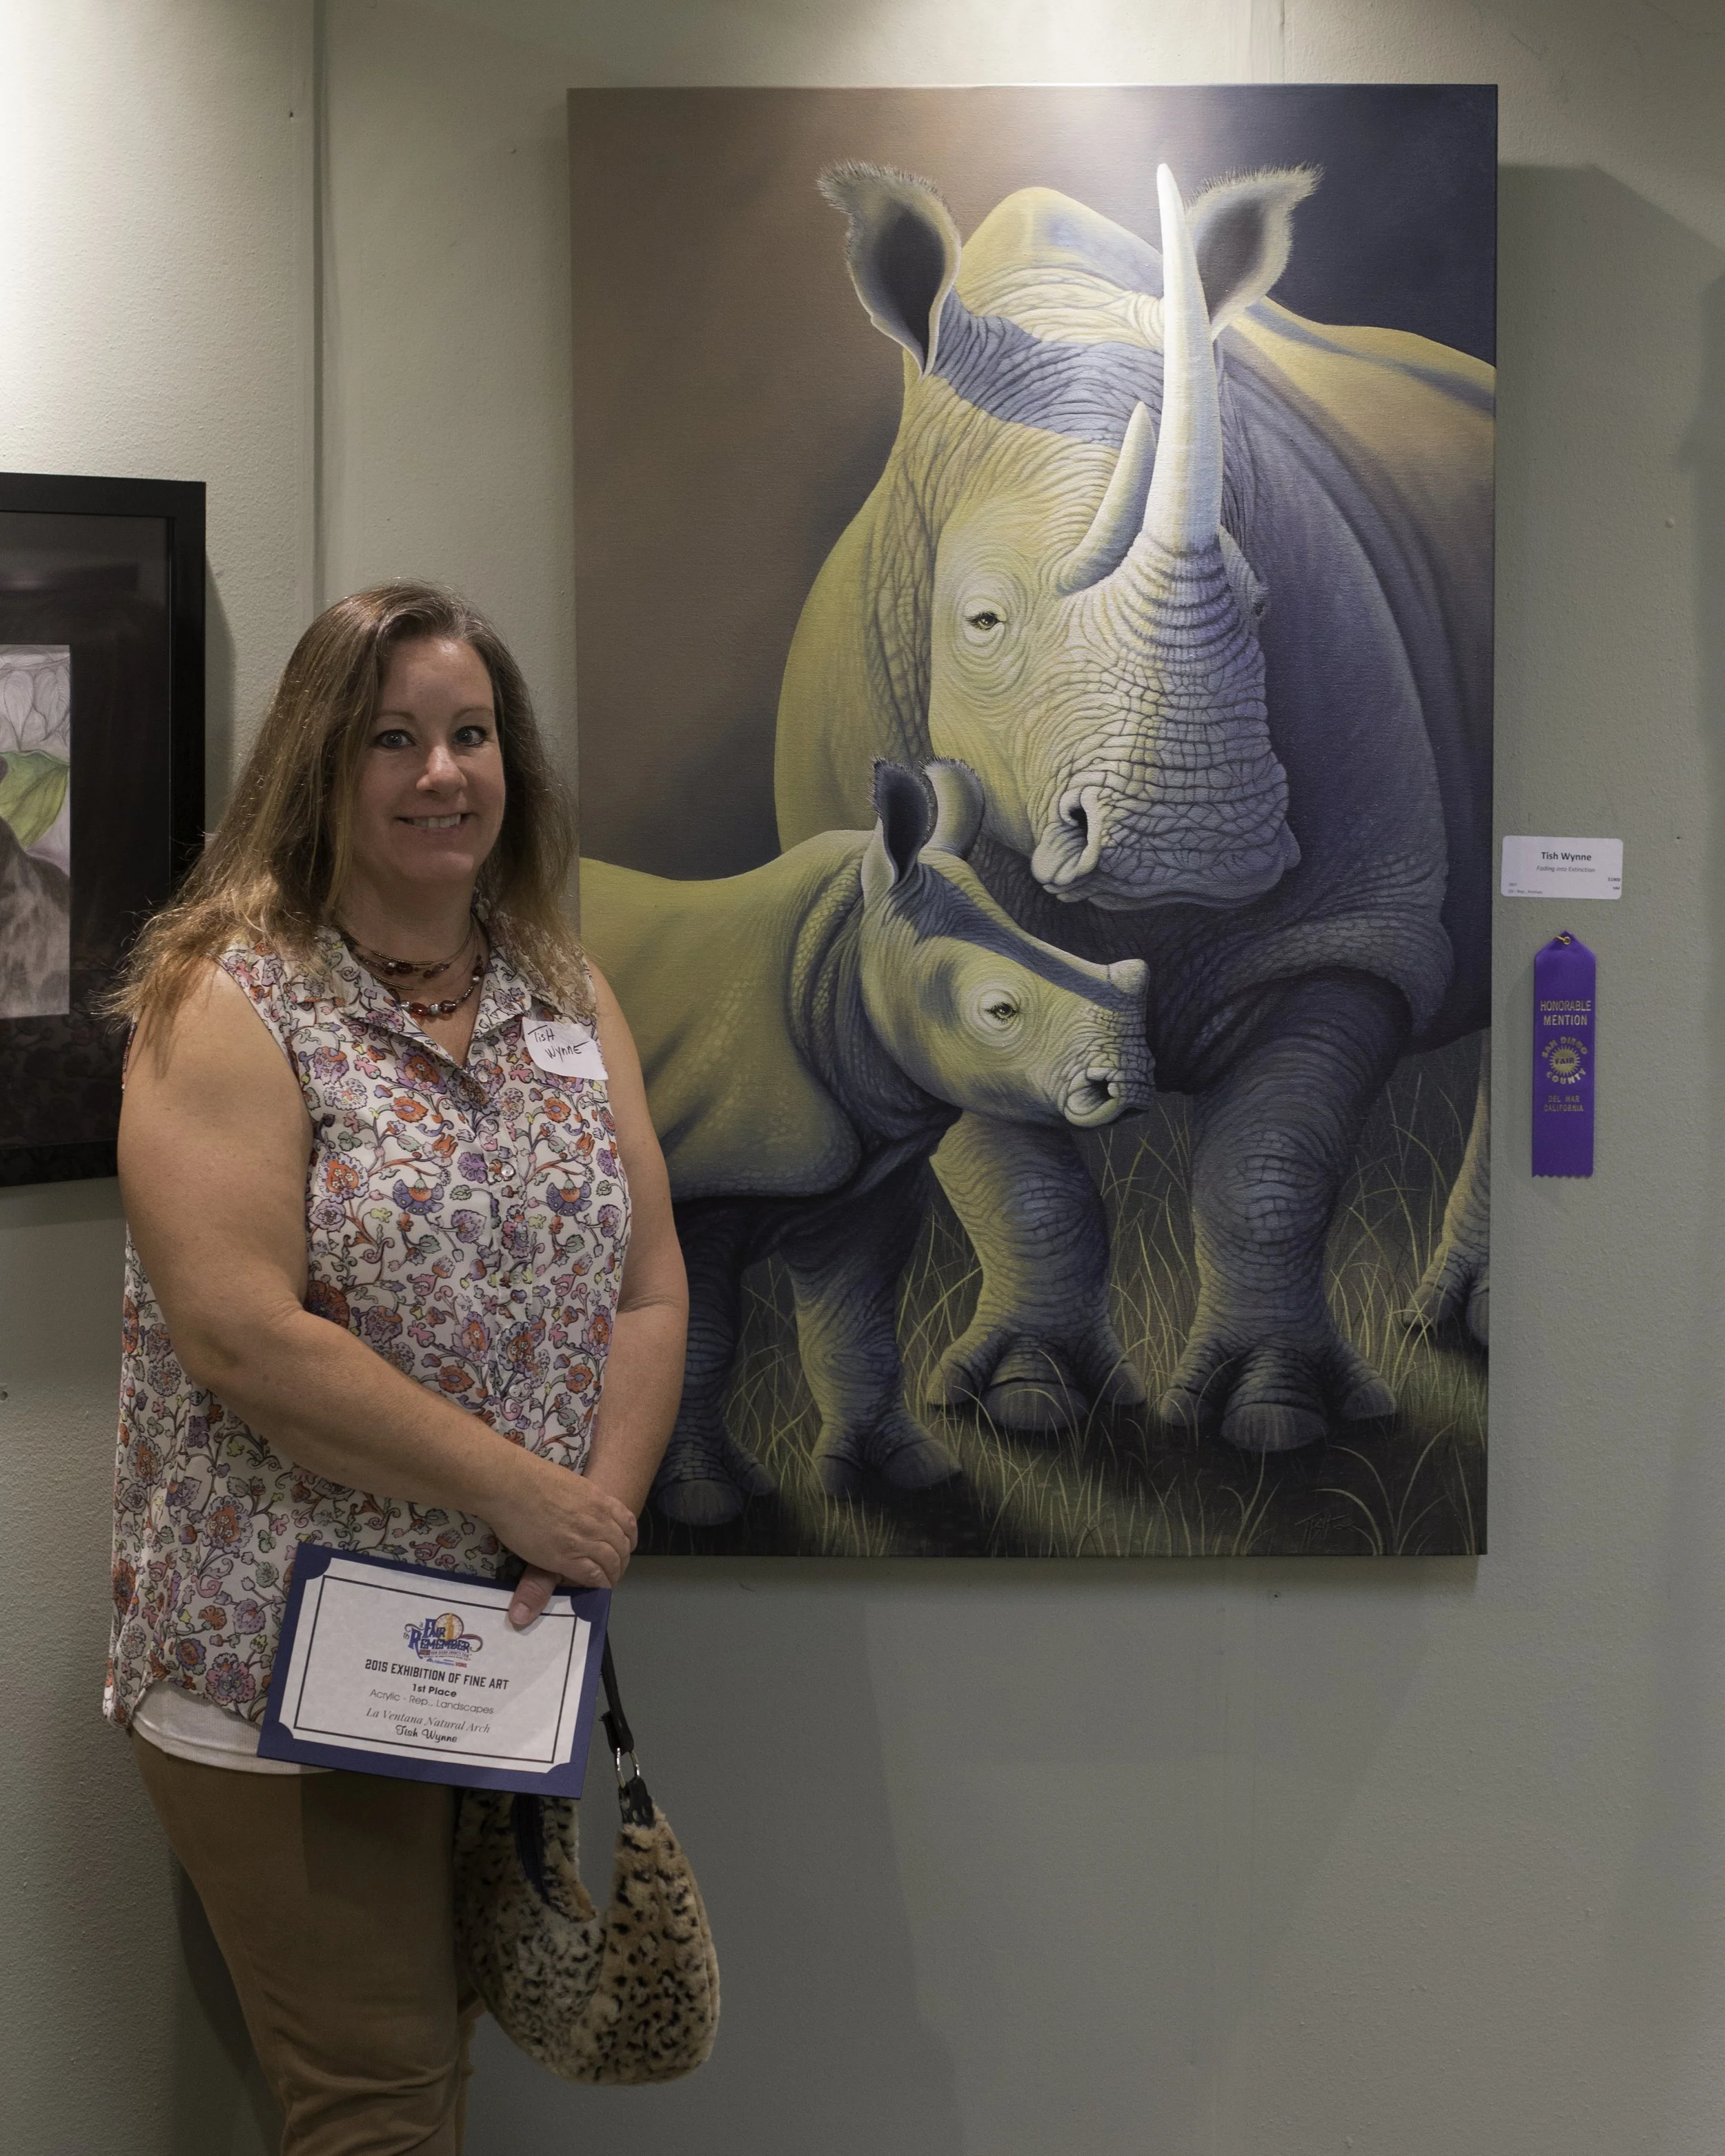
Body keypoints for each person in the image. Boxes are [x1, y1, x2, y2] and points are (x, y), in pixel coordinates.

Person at [105, 582, 688, 2153]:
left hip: (497, 1652)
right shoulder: (230, 1001)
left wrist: (598, 1517)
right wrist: (528, 1495)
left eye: (472, 734)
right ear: (320, 763)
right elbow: (243, 1334)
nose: (444, 773)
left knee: (427, 2074)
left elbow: (646, 1288)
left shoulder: (562, 991)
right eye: (395, 740)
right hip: (282, 1657)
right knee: (373, 2106)